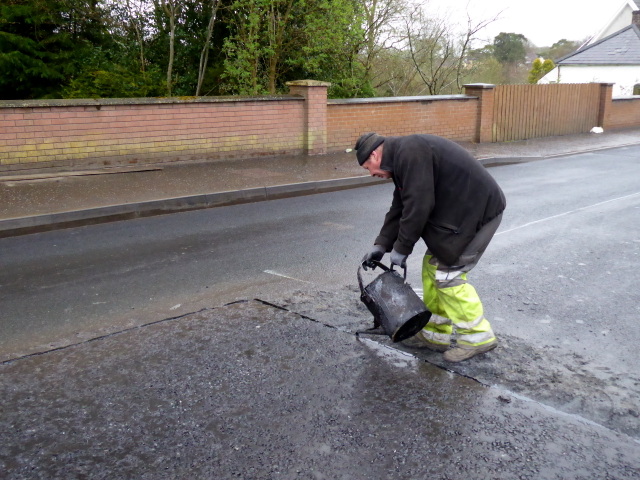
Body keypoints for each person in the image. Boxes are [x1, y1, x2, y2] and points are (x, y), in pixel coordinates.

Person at [355, 132, 506, 362]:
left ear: (375, 154)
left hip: (478, 214)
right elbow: (401, 206)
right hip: (459, 215)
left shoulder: (410, 152)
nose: (372, 174)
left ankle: (478, 337)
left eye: (368, 167)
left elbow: (419, 204)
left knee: (448, 276)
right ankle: (436, 334)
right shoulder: (402, 159)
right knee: (430, 267)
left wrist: (402, 248)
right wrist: (381, 245)